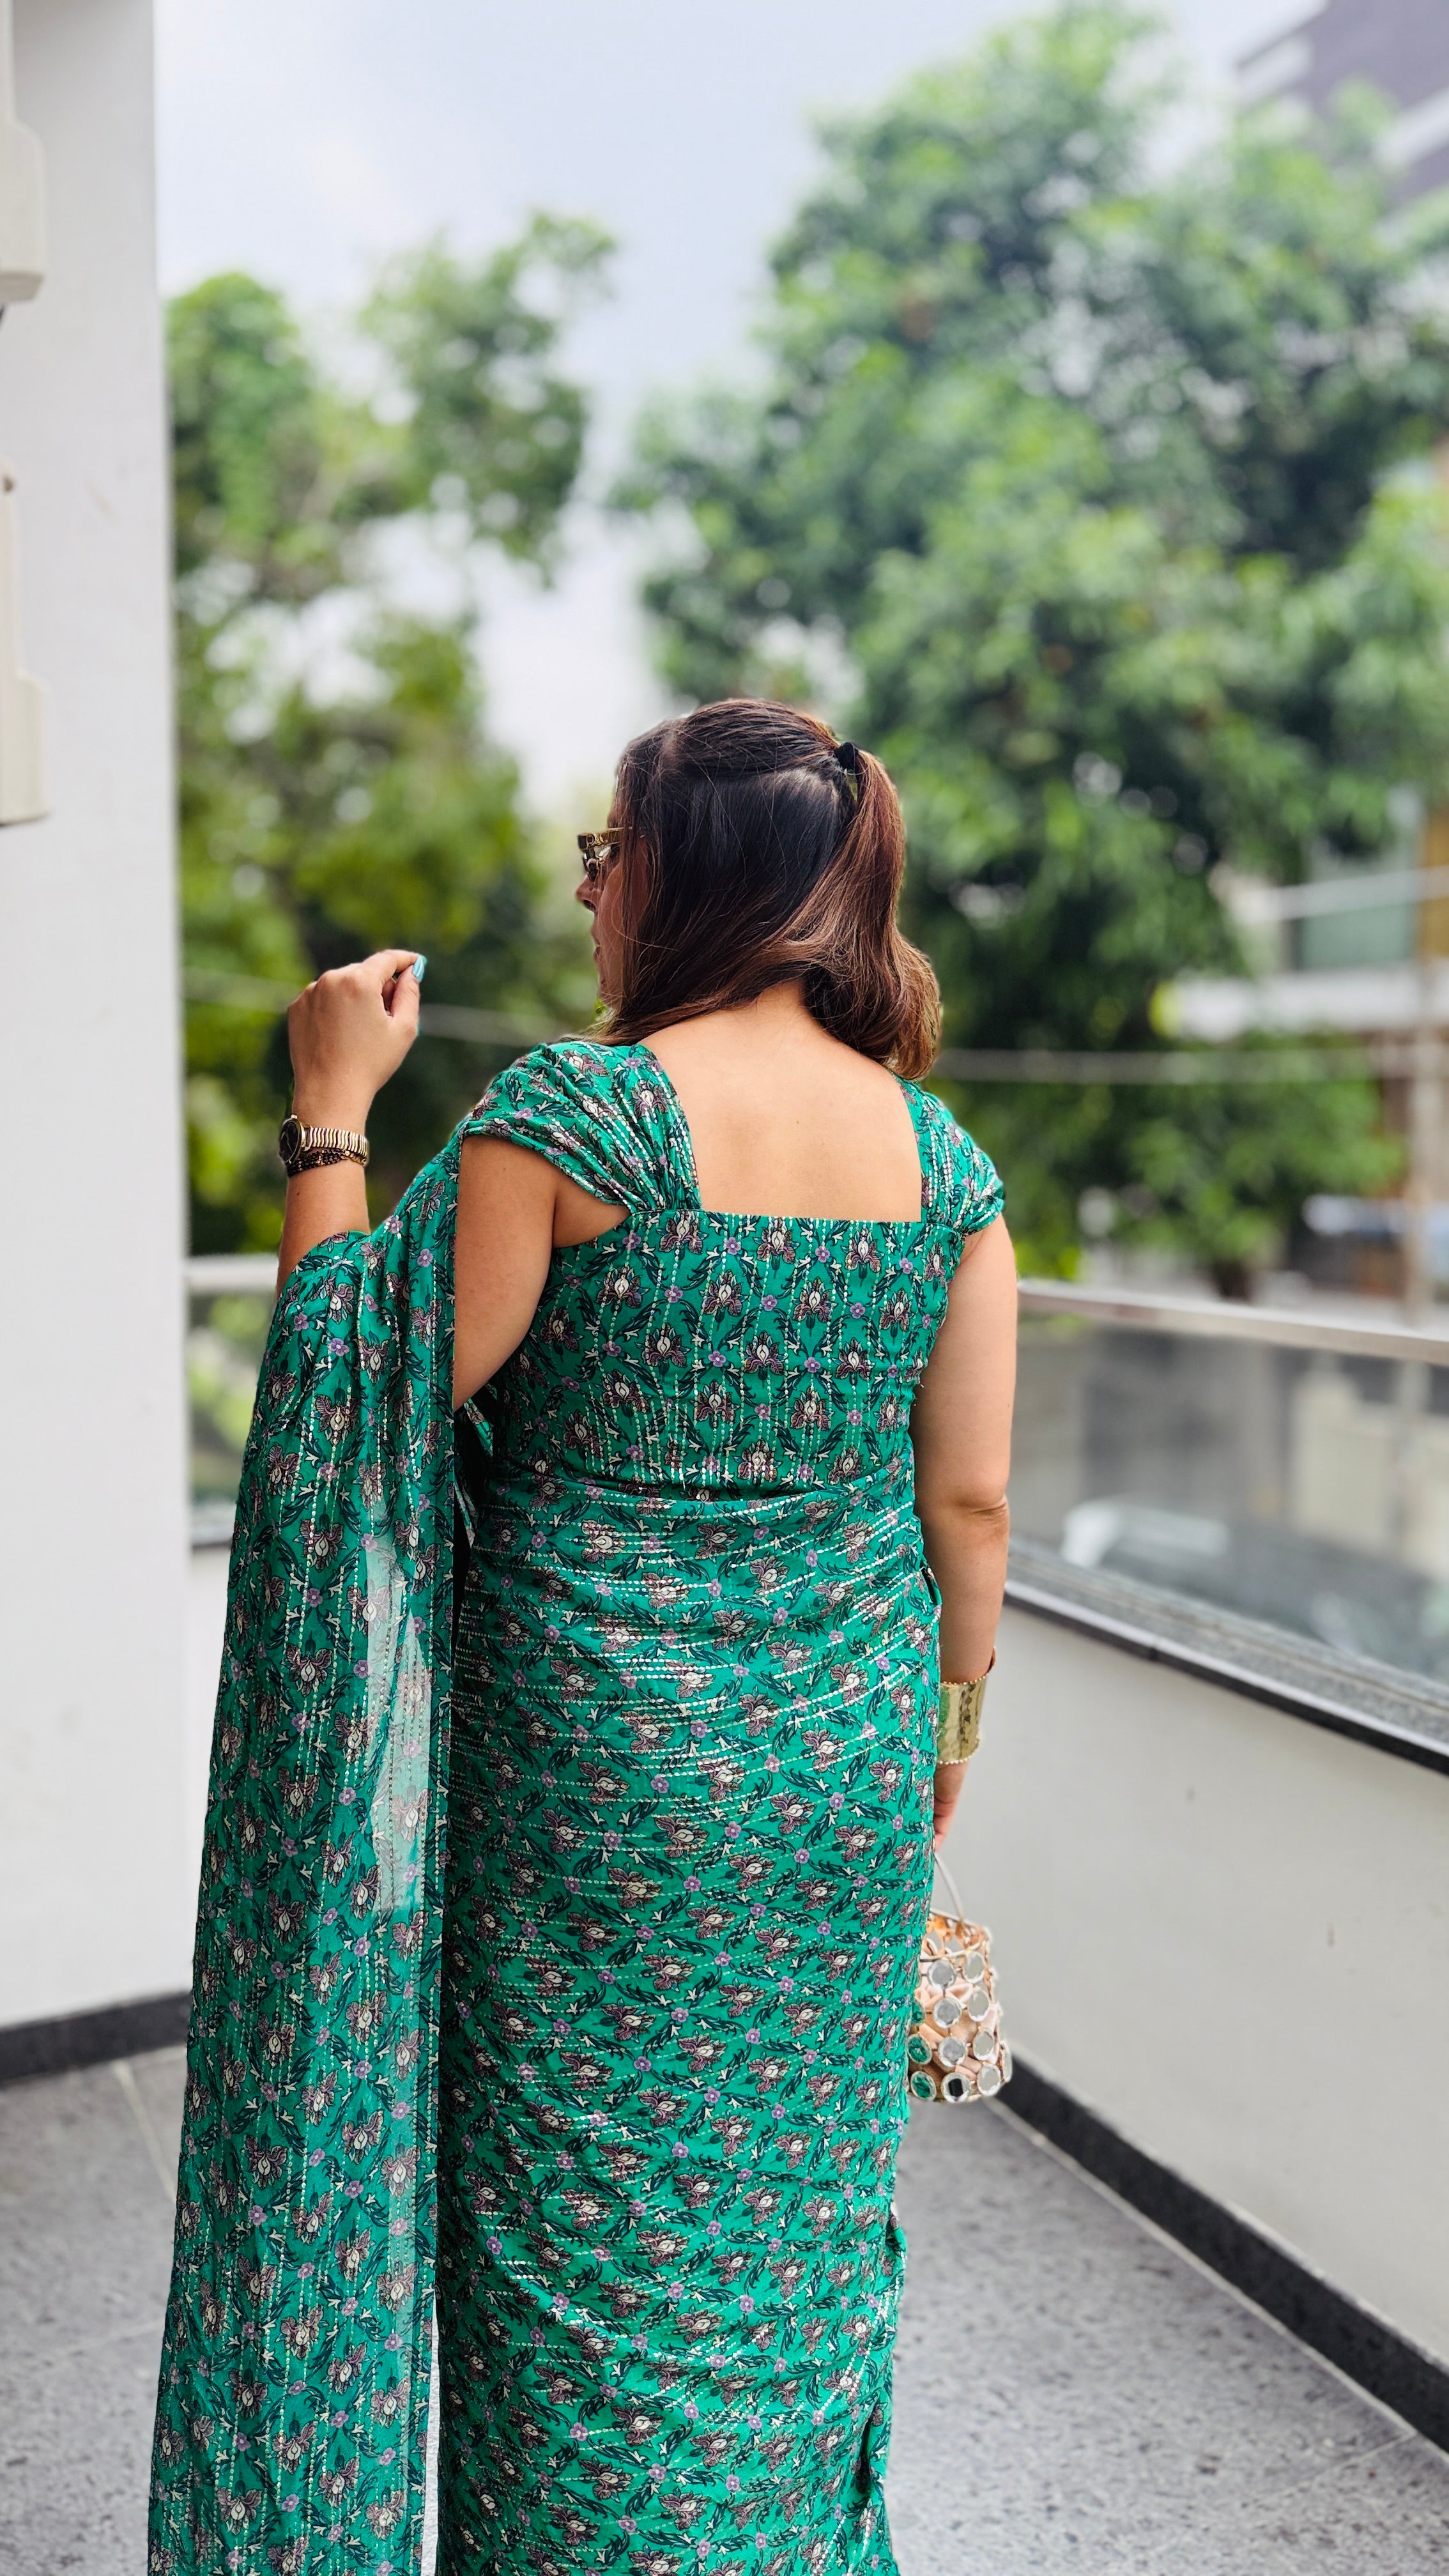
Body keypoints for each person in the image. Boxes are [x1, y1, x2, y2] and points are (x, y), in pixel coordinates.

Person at [150, 697, 1015, 2576]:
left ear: (681, 876)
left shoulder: (579, 1117)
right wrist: (940, 1744)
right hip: (842, 1778)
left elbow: (345, 1401)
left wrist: (326, 1115)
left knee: (584, 2263)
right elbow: (969, 1513)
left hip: (592, 1794)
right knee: (790, 2245)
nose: (591, 891)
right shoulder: (942, 1169)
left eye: (603, 857)